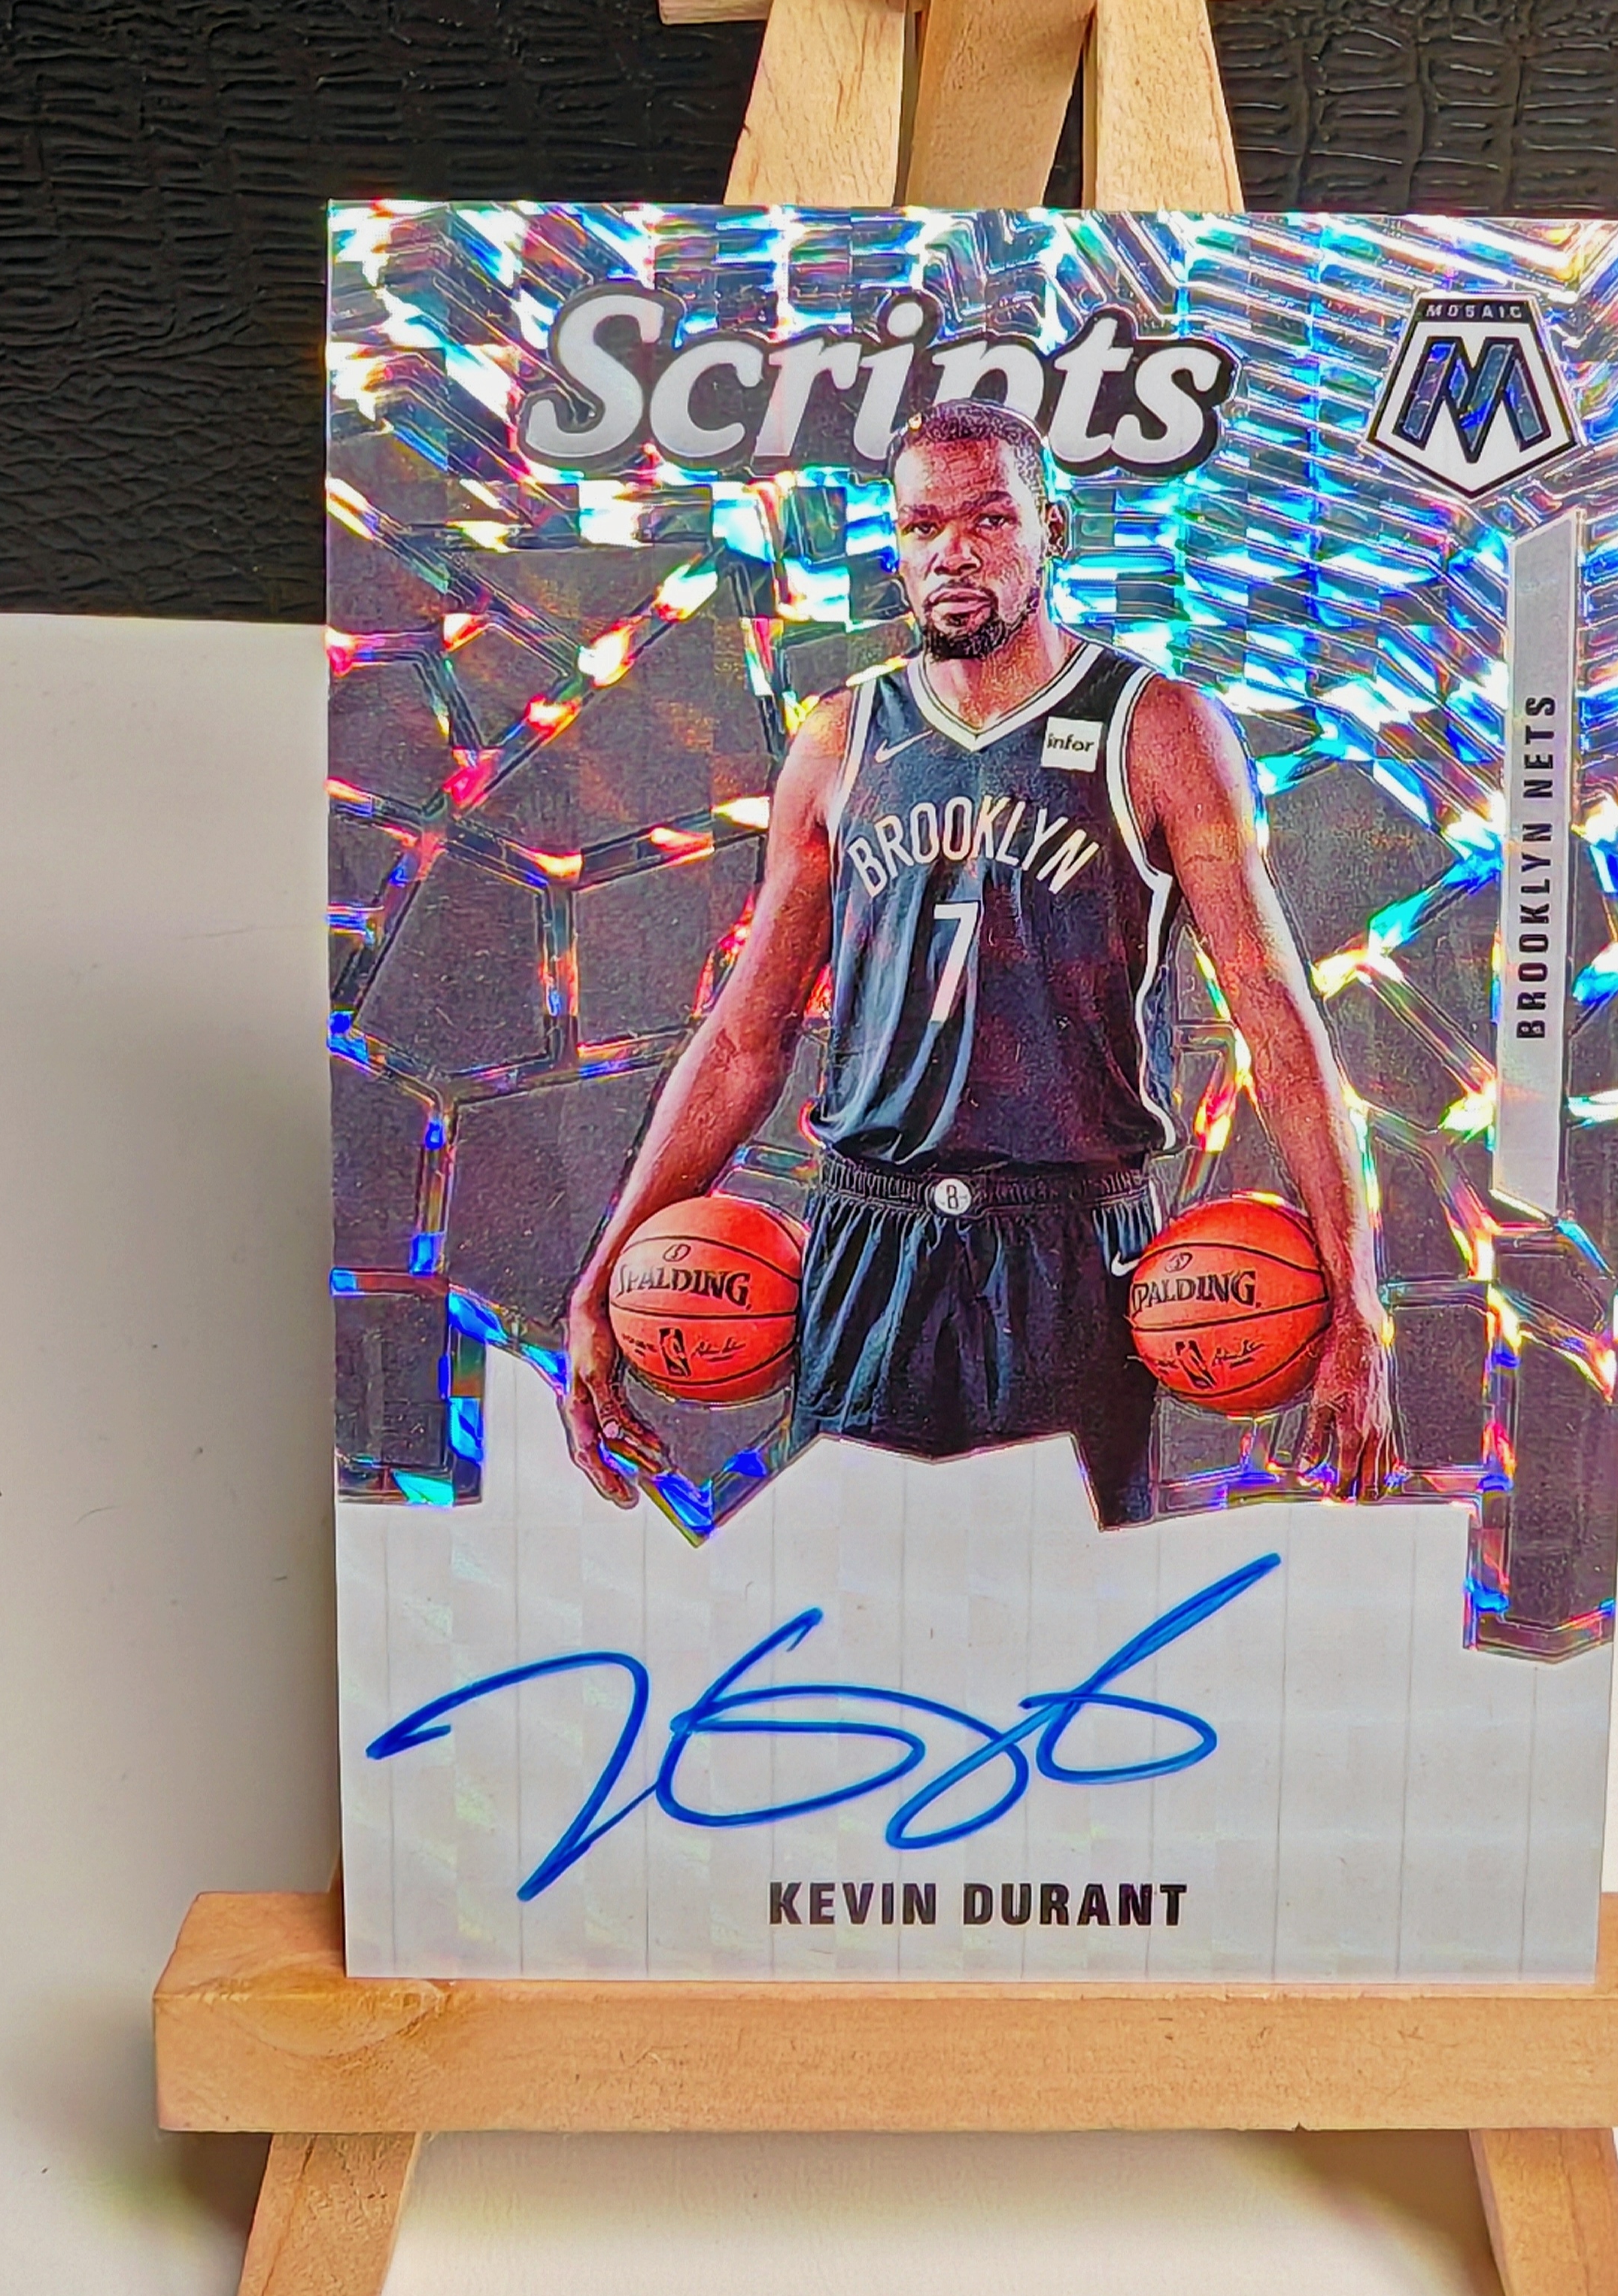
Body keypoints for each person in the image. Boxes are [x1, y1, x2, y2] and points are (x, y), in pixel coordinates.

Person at [560, 399, 1395, 1522]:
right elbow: (746, 1040)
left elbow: (1280, 1032)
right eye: (923, 526)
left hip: (1070, 1250)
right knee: (843, 1597)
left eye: (990, 519)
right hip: (871, 1241)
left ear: (1054, 530)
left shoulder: (1157, 729)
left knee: (1068, 1608)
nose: (954, 551)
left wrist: (1358, 1304)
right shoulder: (843, 739)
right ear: (897, 550)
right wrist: (600, 1277)